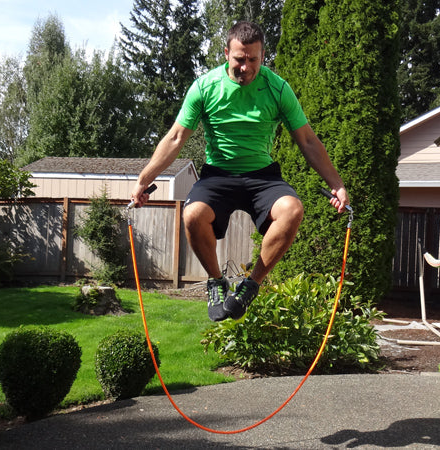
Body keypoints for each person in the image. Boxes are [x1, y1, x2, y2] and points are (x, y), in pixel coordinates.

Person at [131, 21, 349, 322]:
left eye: (252, 60)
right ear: (226, 54)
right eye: (239, 59)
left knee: (292, 210)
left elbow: (308, 140)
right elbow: (176, 137)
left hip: (262, 175)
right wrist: (144, 180)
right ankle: (217, 282)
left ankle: (250, 285)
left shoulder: (277, 88)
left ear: (262, 57)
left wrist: (336, 183)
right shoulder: (205, 87)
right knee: (192, 215)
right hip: (217, 174)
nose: (245, 67)